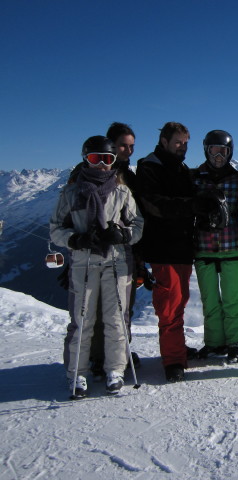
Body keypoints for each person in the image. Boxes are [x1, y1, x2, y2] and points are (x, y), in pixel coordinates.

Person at [50, 135, 144, 397]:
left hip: (117, 262)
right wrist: (75, 239)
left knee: (116, 319)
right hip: (84, 262)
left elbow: (137, 225)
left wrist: (123, 235)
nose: (102, 165)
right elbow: (56, 228)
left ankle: (115, 369)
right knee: (82, 319)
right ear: (85, 160)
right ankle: (77, 374)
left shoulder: (122, 191)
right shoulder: (71, 193)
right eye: (95, 159)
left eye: (108, 159)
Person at [136, 122, 222, 382]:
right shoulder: (150, 167)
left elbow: (187, 198)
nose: (183, 147)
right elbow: (155, 205)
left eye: (186, 143)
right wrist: (195, 205)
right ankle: (173, 360)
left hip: (183, 246)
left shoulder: (180, 167)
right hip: (164, 247)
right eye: (177, 142)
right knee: (170, 304)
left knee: (179, 300)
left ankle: (176, 348)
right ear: (163, 141)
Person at [192, 130, 238, 363]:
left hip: (231, 246)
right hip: (203, 247)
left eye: (223, 151)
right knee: (210, 299)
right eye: (214, 150)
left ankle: (235, 342)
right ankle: (214, 343)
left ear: (230, 152)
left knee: (232, 298)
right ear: (206, 150)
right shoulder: (194, 178)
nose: (218, 156)